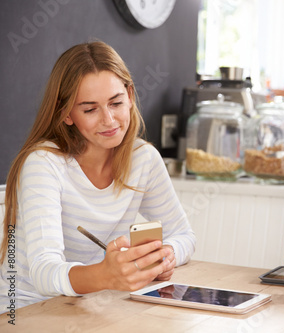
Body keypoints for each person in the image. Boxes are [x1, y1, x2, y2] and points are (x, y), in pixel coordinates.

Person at [0, 41, 196, 310]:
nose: (109, 120)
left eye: (116, 103)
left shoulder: (143, 158)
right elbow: (44, 272)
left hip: (91, 306)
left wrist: (166, 255)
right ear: (66, 113)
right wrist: (107, 274)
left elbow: (183, 234)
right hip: (24, 312)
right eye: (90, 109)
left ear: (129, 95)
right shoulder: (43, 164)